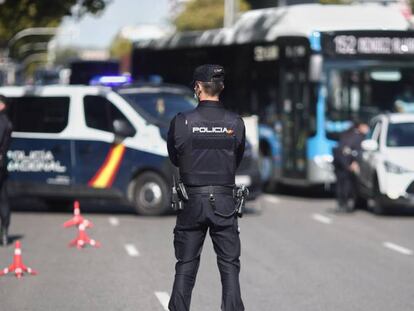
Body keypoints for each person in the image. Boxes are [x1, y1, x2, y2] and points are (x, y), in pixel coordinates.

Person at [167, 64, 246, 311]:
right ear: (221, 88)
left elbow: (174, 157)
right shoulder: (236, 122)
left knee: (186, 264)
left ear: (198, 87)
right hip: (224, 201)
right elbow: (237, 157)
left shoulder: (182, 122)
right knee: (229, 265)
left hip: (191, 201)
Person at [333, 120, 369, 212]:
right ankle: (345, 204)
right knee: (347, 184)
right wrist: (352, 163)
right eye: (366, 126)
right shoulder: (357, 136)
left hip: (340, 162)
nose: (367, 129)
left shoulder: (346, 134)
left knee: (341, 184)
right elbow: (355, 151)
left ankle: (342, 203)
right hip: (346, 163)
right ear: (360, 126)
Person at [0, 95, 12, 245]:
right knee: (3, 198)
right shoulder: (7, 121)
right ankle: (4, 232)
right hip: (2, 164)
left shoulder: (1, 121)